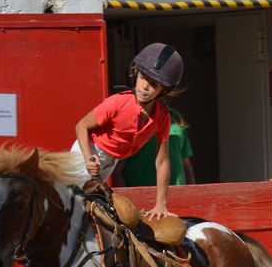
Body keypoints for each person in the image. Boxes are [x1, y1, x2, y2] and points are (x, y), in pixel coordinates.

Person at [71, 43, 183, 219]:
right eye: (142, 77)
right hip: (89, 151)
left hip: (111, 160)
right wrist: (88, 158)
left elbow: (162, 162)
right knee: (68, 204)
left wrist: (161, 204)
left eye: (153, 84)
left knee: (91, 212)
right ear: (136, 74)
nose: (144, 86)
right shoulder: (116, 103)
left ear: (164, 90)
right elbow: (81, 126)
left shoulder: (163, 117)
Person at [117, 107, 196, 187]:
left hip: (179, 193)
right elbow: (117, 172)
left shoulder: (176, 116)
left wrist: (192, 192)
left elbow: (185, 162)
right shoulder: (130, 120)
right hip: (143, 194)